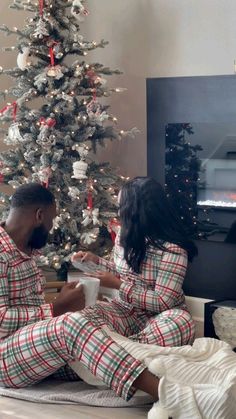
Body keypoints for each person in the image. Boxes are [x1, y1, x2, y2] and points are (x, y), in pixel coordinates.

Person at [0, 183, 159, 402]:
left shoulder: (27, 249)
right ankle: (168, 393)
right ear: (39, 215)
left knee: (92, 326)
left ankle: (166, 371)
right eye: (51, 219)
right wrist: (56, 308)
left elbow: (30, 309)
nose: (51, 227)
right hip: (5, 359)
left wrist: (60, 302)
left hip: (32, 347)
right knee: (70, 325)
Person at [73, 177, 198, 346]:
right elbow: (119, 272)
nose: (119, 212)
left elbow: (162, 302)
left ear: (136, 210)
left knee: (182, 323)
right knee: (83, 315)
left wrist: (119, 285)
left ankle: (120, 348)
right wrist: (95, 261)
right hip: (123, 310)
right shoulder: (124, 236)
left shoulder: (173, 249)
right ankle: (126, 348)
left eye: (121, 206)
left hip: (159, 318)